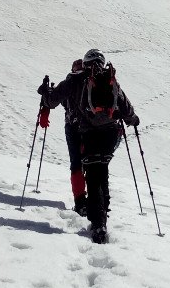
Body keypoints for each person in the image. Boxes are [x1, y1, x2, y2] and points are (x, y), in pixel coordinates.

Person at [69, 49, 139, 243]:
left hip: (89, 134)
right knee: (102, 171)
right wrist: (133, 119)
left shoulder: (81, 80)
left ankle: (98, 224)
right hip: (110, 134)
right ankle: (103, 212)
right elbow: (125, 106)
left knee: (93, 177)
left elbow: (62, 101)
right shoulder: (110, 79)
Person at [39, 58, 89, 215]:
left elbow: (51, 101)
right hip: (92, 128)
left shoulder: (70, 82)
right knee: (92, 162)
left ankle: (80, 202)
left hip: (73, 128)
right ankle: (96, 200)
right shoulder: (92, 82)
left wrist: (45, 92)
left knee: (76, 163)